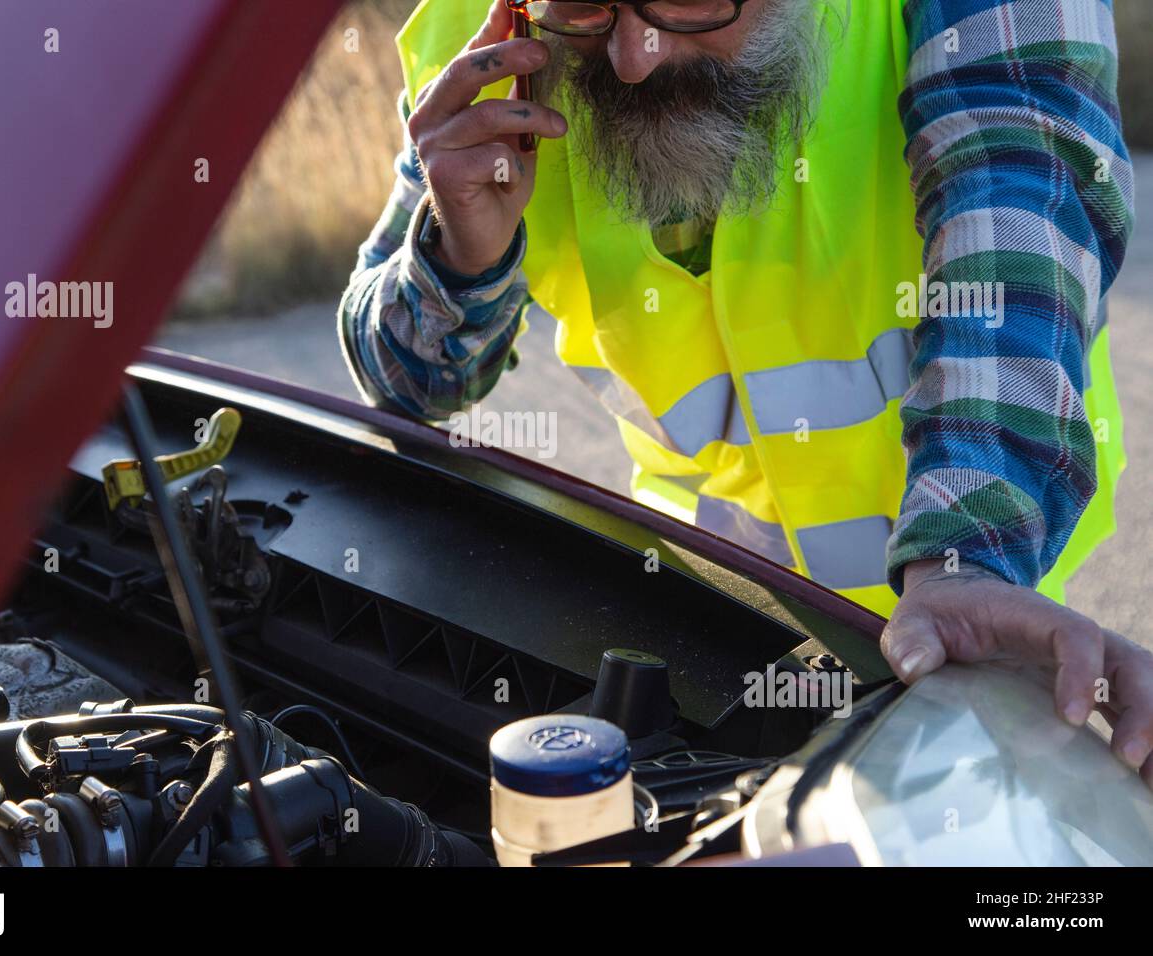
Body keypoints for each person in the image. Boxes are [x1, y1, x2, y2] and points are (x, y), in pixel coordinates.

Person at [338, 0, 1152, 784]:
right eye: (586, 5)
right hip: (699, 615)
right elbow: (400, 379)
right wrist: (456, 258)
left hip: (957, 617)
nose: (631, 59)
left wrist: (967, 556)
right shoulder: (486, 31)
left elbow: (1022, 185)